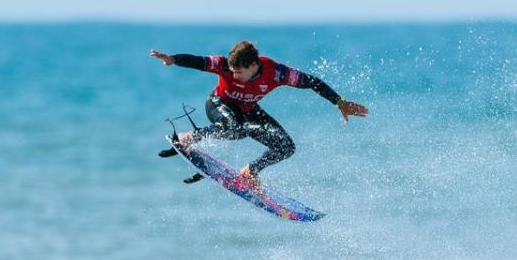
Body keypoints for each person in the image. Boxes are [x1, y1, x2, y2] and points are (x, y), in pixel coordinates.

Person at [149, 41, 368, 187]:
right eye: (232, 72)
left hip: (248, 110)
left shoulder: (277, 73)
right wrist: (173, 59)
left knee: (286, 146)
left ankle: (250, 171)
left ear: (253, 66)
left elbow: (311, 82)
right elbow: (198, 61)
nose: (235, 75)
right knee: (233, 127)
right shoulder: (225, 64)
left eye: (240, 72)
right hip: (218, 104)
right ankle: (188, 138)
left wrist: (339, 102)